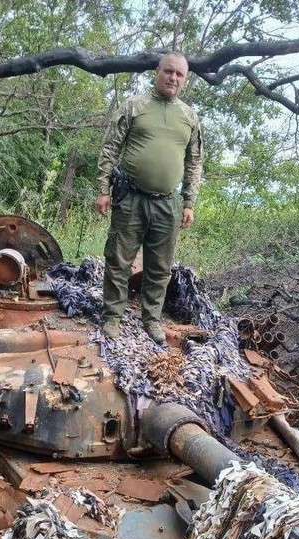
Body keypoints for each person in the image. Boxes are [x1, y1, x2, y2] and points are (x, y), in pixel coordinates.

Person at [96, 52, 203, 344]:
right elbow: (110, 148)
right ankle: (112, 317)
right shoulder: (135, 105)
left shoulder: (189, 116)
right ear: (157, 71)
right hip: (130, 197)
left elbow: (194, 162)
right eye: (169, 71)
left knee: (160, 267)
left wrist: (189, 202)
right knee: (118, 260)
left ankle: (152, 320)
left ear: (185, 79)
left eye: (179, 74)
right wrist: (103, 189)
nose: (173, 78)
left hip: (168, 203)